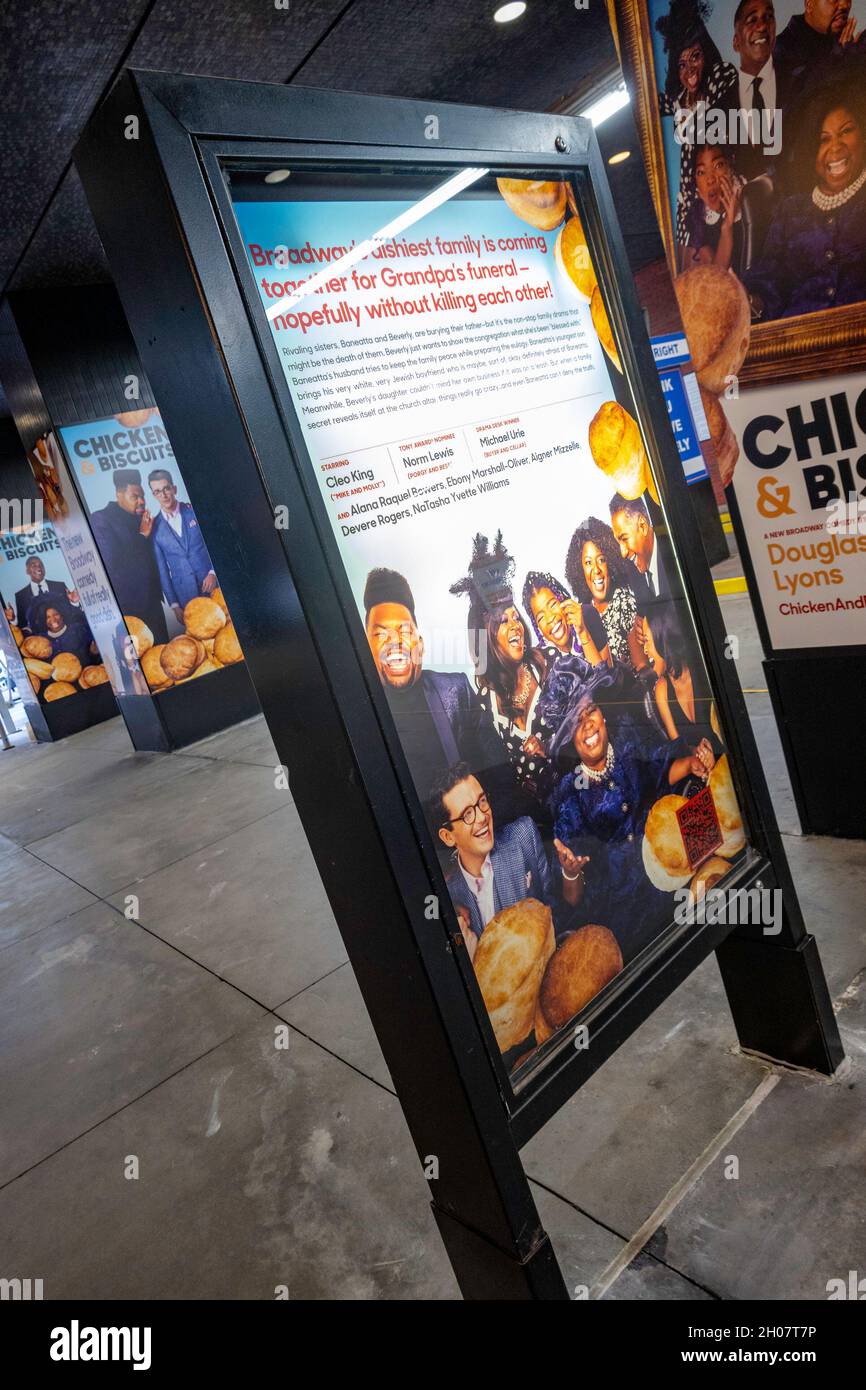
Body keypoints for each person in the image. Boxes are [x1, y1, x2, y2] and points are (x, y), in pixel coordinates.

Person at [552, 691, 716, 963]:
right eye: (576, 723)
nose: (587, 724)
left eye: (589, 711)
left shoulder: (628, 747)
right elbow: (572, 899)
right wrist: (570, 872)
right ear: (571, 740)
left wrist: (693, 763)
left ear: (601, 715)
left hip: (668, 880)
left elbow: (661, 772)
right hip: (624, 920)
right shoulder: (570, 795)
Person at [363, 566, 515, 818]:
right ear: (365, 647)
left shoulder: (456, 691)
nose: (394, 643)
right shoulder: (359, 716)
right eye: (381, 634)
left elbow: (500, 773)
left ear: (420, 645)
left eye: (403, 631)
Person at [430, 763, 584, 957]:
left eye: (482, 801)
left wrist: (570, 875)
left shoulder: (523, 836)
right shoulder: (447, 898)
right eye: (467, 814)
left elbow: (558, 915)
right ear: (448, 837)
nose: (481, 817)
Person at [450, 532, 557, 804]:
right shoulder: (484, 708)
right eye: (503, 621)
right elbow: (497, 784)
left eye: (516, 617)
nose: (516, 627)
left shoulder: (549, 664)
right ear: (487, 635)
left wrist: (551, 750)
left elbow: (588, 723)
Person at [745, 83, 866, 319]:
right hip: (797, 341)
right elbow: (769, 282)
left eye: (846, 131)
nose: (835, 146)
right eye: (823, 139)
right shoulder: (791, 211)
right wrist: (749, 301)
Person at [656, 0, 738, 250]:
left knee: (727, 248)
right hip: (689, 191)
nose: (689, 69)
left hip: (717, 179)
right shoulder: (679, 99)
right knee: (690, 263)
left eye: (695, 57)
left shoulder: (720, 78)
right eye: (682, 64)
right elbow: (652, 104)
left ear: (706, 53)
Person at [90, 469, 168, 643]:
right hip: (128, 608)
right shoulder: (101, 519)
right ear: (119, 494)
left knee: (163, 657)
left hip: (153, 605)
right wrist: (142, 536)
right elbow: (111, 565)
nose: (141, 501)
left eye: (142, 496)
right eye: (135, 497)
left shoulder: (143, 519)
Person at [564, 517, 647, 674]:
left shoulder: (623, 602)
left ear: (610, 562)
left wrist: (623, 674)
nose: (596, 570)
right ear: (579, 570)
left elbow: (642, 667)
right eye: (588, 563)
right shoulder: (584, 610)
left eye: (601, 560)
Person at [642, 601, 723, 756]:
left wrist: (715, 749)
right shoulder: (662, 689)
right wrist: (699, 753)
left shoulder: (703, 672)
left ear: (662, 640)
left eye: (647, 640)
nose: (645, 649)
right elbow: (679, 748)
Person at [148, 469, 218, 625]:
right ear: (153, 495)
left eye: (166, 488)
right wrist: (174, 605)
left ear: (174, 488)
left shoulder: (194, 511)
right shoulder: (154, 528)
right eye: (158, 491)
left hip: (213, 585)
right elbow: (162, 570)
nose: (164, 495)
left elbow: (216, 544)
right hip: (185, 595)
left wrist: (214, 572)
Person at [521, 570, 608, 668]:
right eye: (541, 617)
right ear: (537, 627)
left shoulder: (587, 615)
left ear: (561, 599)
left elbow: (608, 680)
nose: (550, 618)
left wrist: (583, 633)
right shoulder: (540, 660)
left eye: (553, 604)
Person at [685, 144, 747, 272]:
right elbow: (717, 277)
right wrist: (727, 227)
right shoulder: (696, 218)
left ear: (730, 167)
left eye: (718, 165)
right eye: (701, 172)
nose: (710, 179)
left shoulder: (751, 196)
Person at [609, 493, 674, 604]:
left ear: (643, 526)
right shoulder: (634, 574)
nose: (623, 553)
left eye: (624, 539)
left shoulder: (673, 558)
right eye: (618, 542)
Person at [14, 555, 77, 634]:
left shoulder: (59, 586)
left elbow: (73, 613)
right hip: (40, 642)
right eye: (34, 565)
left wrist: (74, 602)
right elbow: (22, 624)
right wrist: (12, 620)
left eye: (41, 565)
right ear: (27, 571)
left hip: (66, 636)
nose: (39, 567)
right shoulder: (21, 596)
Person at [31, 598, 96, 670]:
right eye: (48, 617)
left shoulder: (78, 629)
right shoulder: (40, 640)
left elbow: (92, 653)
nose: (53, 619)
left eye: (56, 614)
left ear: (62, 615)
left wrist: (93, 652)